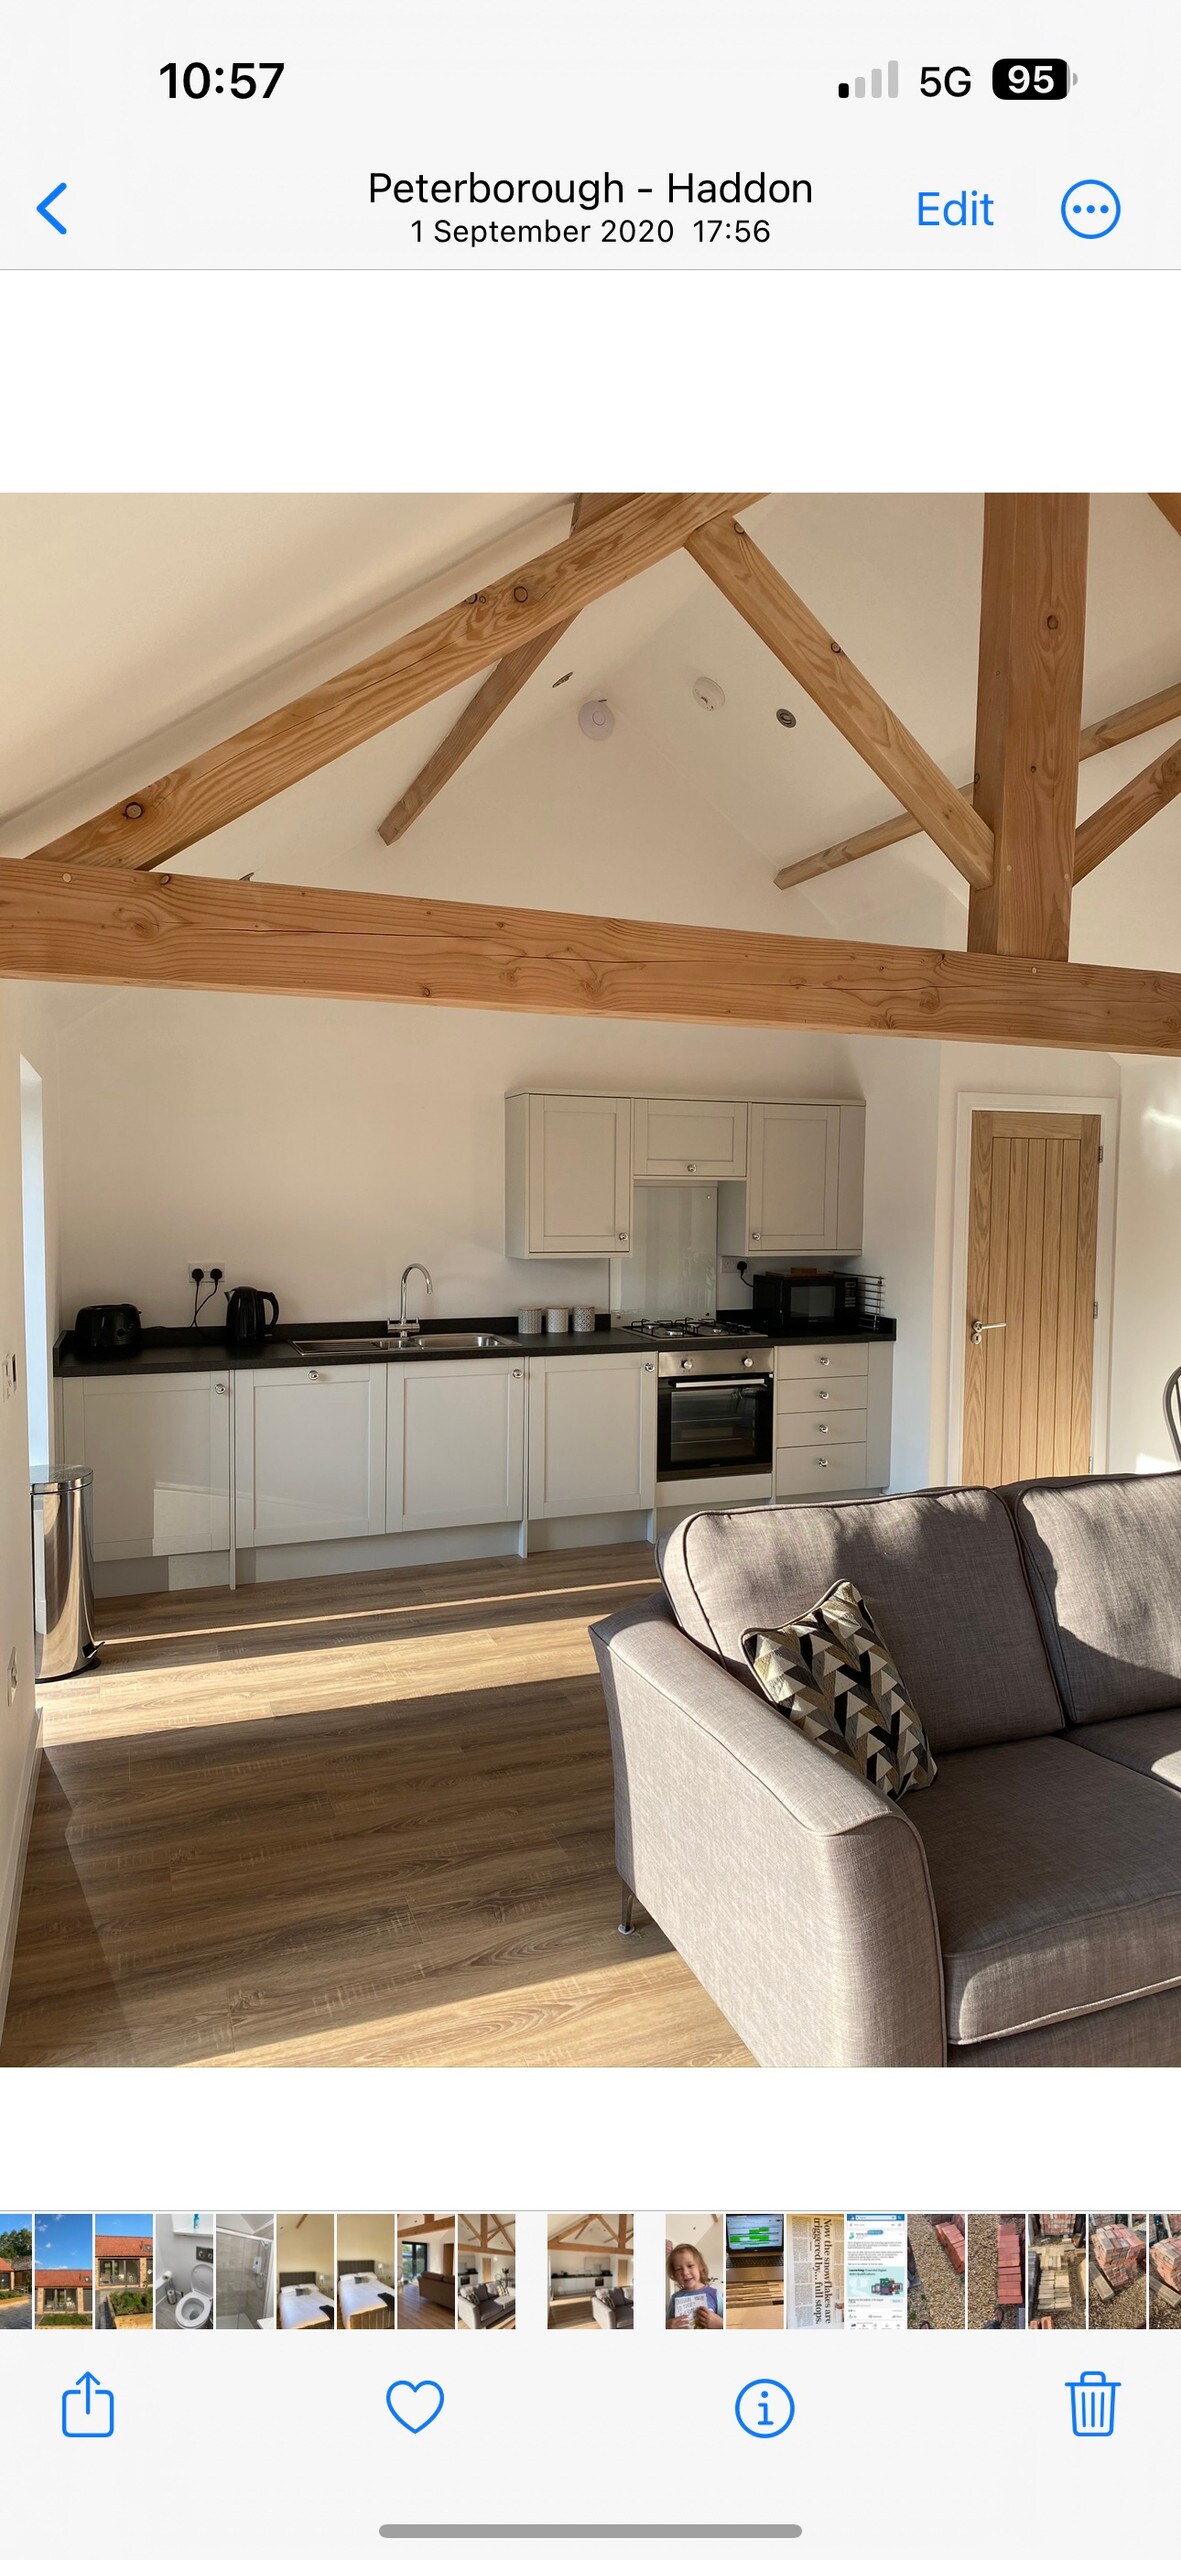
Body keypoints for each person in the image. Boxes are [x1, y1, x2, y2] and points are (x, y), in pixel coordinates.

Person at [666, 2241, 723, 2328]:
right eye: (678, 2269)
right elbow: (666, 2323)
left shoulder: (715, 2294)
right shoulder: (675, 2298)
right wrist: (668, 2325)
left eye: (690, 2266)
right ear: (674, 2274)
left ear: (700, 2267)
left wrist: (720, 2324)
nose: (685, 2272)